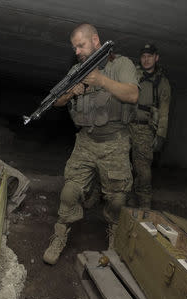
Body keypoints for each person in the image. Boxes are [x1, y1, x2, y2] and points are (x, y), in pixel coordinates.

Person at [43, 23, 140, 265]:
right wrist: (71, 93)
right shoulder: (76, 69)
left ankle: (114, 236)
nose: (77, 51)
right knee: (69, 192)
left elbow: (133, 95)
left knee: (117, 198)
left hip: (115, 142)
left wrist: (100, 80)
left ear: (95, 40)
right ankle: (59, 236)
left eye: (80, 45)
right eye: (74, 47)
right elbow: (56, 101)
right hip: (86, 141)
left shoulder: (121, 64)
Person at [129, 43, 171, 208]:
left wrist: (161, 135)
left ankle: (144, 203)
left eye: (150, 56)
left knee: (143, 170)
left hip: (145, 130)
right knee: (118, 163)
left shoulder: (162, 82)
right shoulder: (132, 74)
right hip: (126, 126)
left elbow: (164, 112)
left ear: (156, 58)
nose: (146, 60)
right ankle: (123, 198)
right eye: (143, 57)